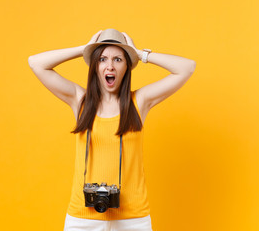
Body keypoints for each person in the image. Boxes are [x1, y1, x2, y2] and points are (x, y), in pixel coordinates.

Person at [28, 29, 196, 231]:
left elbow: (187, 68)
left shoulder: (139, 102)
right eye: (102, 59)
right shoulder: (80, 101)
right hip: (83, 217)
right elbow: (36, 63)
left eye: (118, 59)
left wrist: (140, 54)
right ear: (95, 66)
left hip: (132, 218)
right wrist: (85, 50)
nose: (110, 66)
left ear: (127, 66)